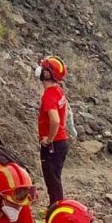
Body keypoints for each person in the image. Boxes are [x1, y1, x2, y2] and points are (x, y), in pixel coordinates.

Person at [36, 56, 69, 207]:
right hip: (61, 141)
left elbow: (54, 120)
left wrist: (49, 139)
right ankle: (55, 208)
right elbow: (65, 110)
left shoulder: (49, 95)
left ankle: (56, 211)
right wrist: (60, 128)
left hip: (53, 145)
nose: (39, 69)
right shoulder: (57, 90)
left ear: (47, 74)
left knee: (52, 181)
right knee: (55, 179)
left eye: (43, 67)